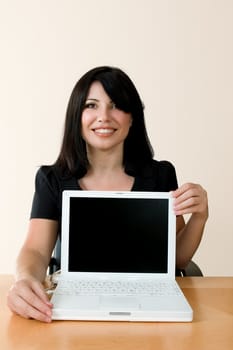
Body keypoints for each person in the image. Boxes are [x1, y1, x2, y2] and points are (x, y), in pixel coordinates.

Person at [7, 66, 208, 322]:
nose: (104, 116)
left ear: (132, 117)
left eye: (116, 105)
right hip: (76, 295)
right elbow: (35, 251)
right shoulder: (53, 179)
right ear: (76, 116)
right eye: (91, 105)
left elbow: (177, 258)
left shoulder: (160, 175)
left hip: (149, 297)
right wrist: (25, 280)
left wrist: (200, 217)